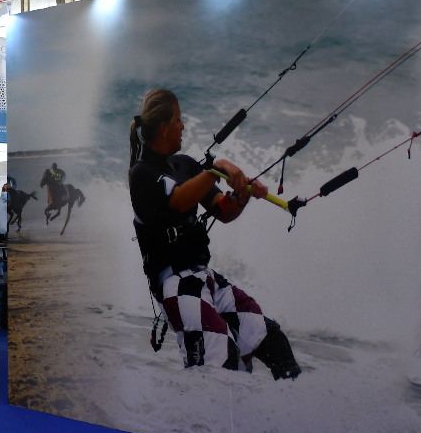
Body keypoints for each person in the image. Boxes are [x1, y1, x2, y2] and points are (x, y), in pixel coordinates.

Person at [128, 88, 300, 379]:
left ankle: (288, 415)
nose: (184, 126)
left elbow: (223, 211)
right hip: (174, 285)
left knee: (273, 341)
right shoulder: (141, 173)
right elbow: (179, 200)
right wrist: (216, 169)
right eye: (179, 120)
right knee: (222, 362)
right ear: (164, 128)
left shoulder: (186, 165)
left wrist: (243, 193)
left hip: (205, 277)